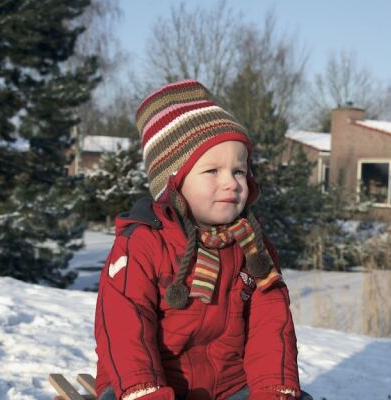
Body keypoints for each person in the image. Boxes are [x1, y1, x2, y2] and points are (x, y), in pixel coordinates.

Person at [94, 80, 307, 400]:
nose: (232, 183)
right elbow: (125, 327)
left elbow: (271, 327)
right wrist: (146, 392)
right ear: (173, 183)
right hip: (144, 383)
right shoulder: (142, 244)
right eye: (212, 171)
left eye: (238, 171)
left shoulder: (251, 246)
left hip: (229, 386)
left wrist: (273, 389)